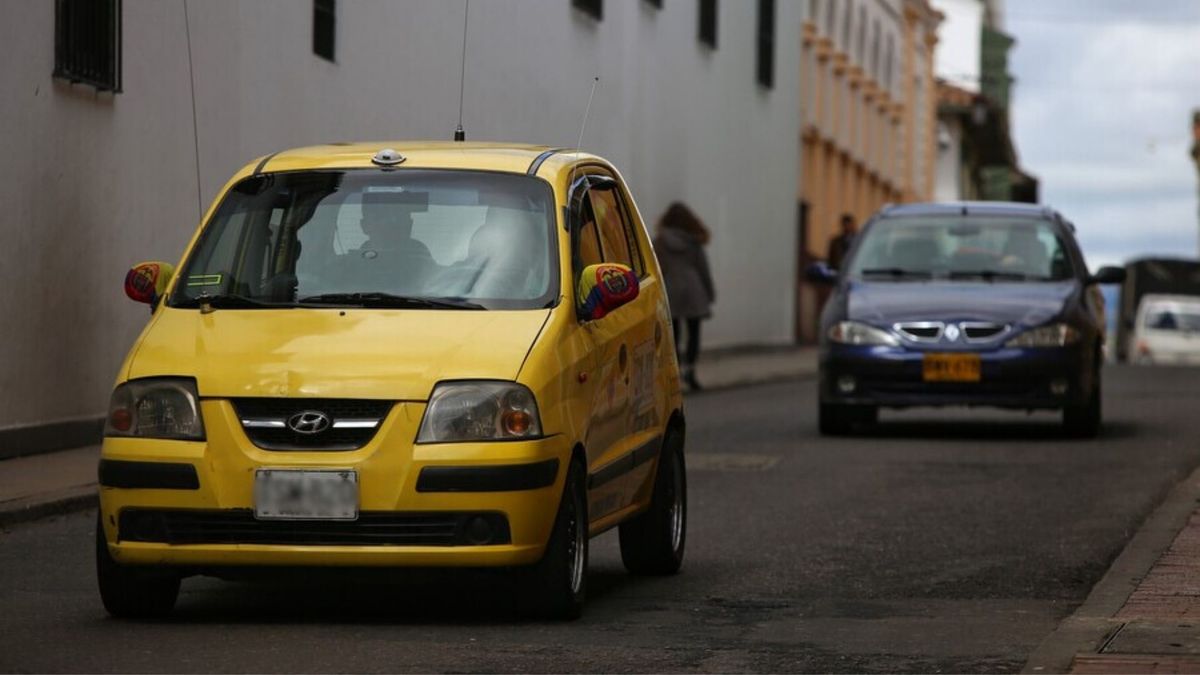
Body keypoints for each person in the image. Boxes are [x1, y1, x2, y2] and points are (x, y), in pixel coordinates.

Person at [654, 202, 715, 391]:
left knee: (674, 334)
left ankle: (676, 372)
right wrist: (709, 292)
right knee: (694, 333)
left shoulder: (659, 241)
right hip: (693, 289)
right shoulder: (694, 242)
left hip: (670, 289)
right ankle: (691, 370)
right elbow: (703, 269)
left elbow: (656, 268)